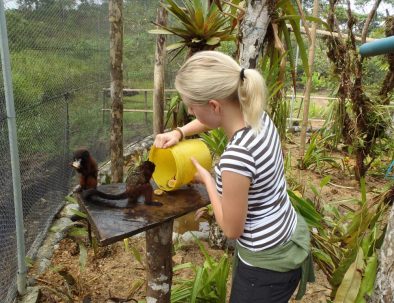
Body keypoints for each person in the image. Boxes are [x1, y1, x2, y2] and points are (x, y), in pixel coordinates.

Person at [154, 51, 313, 302]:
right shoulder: (256, 114)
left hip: (266, 267)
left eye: (193, 109)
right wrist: (180, 133)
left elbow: (231, 228)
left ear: (214, 106)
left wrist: (207, 179)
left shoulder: (236, 158)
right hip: (287, 232)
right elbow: (213, 119)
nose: (193, 115)